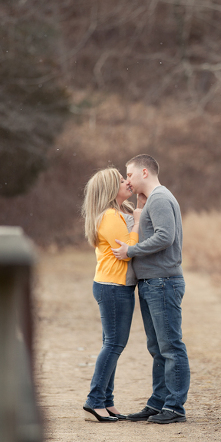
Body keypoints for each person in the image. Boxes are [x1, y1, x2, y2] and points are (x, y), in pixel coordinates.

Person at [112, 154, 189, 424]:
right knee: (157, 347)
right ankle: (158, 403)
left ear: (144, 172)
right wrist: (138, 210)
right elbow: (151, 232)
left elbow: (165, 237)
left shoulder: (160, 198)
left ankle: (175, 407)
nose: (128, 181)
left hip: (163, 282)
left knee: (170, 346)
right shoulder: (151, 200)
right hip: (152, 282)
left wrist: (130, 251)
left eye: (130, 175)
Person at [80, 167, 140, 422]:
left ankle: (107, 400)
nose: (127, 182)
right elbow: (131, 247)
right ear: (108, 189)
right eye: (121, 180)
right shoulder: (109, 217)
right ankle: (94, 401)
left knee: (113, 344)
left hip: (115, 285)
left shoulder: (117, 213)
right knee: (114, 344)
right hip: (113, 286)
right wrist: (137, 220)